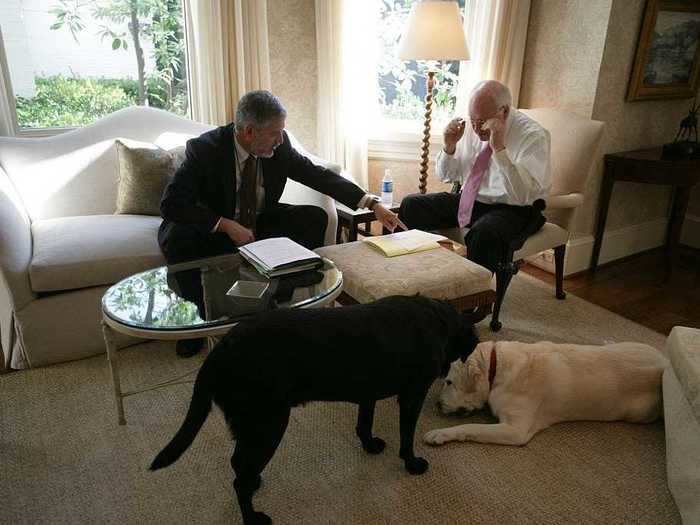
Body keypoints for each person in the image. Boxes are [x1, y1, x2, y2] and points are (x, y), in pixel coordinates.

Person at [159, 90, 405, 356]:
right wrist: (225, 224)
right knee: (177, 238)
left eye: (281, 132)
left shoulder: (280, 146)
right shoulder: (206, 149)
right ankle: (196, 320)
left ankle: (281, 296)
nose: (280, 140)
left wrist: (372, 203)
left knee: (314, 218)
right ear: (249, 132)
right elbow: (171, 204)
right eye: (274, 133)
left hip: (257, 224)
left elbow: (317, 175)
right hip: (216, 230)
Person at [398, 80, 551, 275]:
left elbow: (523, 195)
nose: (476, 129)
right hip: (472, 201)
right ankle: (403, 274)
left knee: (484, 234)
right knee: (411, 205)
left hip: (516, 209)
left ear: (503, 111)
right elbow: (447, 175)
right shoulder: (470, 126)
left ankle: (475, 299)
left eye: (482, 122)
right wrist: (449, 146)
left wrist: (499, 150)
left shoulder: (533, 136)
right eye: (473, 121)